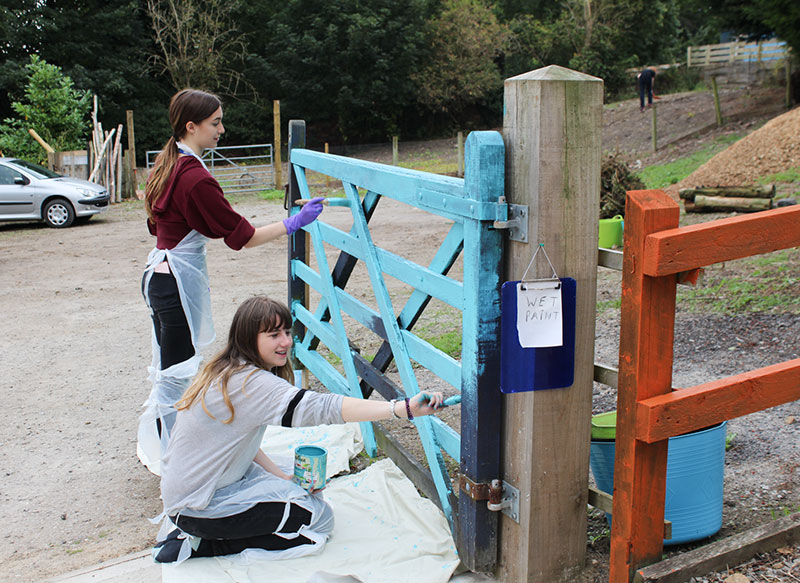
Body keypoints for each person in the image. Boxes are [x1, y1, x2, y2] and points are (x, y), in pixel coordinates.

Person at [152, 295, 445, 563]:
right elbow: (324, 407)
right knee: (319, 520)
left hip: (193, 490)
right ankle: (205, 546)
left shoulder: (228, 369)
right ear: (248, 338)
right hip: (198, 506)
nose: (286, 342)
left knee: (294, 485)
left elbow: (239, 442)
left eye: (287, 332)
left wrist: (281, 477)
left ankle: (205, 532)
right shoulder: (251, 384)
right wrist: (400, 409)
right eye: (274, 335)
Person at [139, 88, 324, 473]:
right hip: (174, 283)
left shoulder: (167, 163)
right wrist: (293, 223)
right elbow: (243, 237)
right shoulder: (194, 178)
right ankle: (176, 462)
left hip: (158, 276)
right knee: (177, 375)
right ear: (192, 126)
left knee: (171, 371)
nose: (222, 130)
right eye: (215, 123)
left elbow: (156, 224)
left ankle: (170, 449)